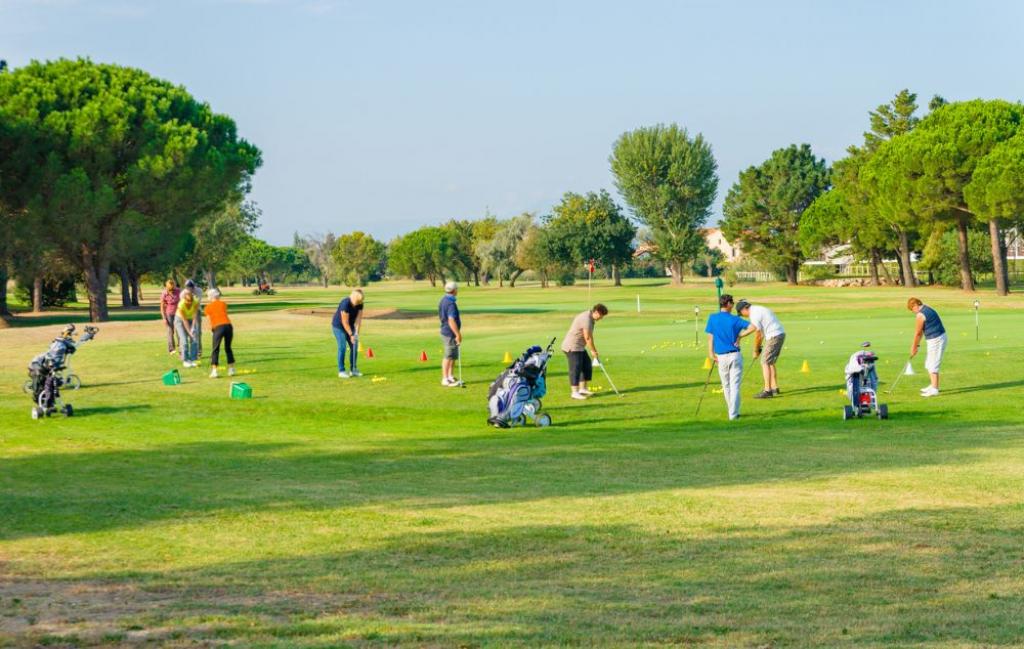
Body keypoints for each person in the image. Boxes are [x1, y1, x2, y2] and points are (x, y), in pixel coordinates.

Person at [705, 294, 751, 420]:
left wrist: (710, 353)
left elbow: (710, 337)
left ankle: (732, 411)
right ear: (729, 304)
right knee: (734, 385)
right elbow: (753, 327)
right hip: (734, 355)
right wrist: (741, 336)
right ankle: (733, 414)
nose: (733, 305)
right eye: (732, 303)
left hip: (720, 356)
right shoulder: (735, 319)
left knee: (726, 385)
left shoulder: (712, 318)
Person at [736, 299, 786, 399]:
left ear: (744, 309)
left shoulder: (754, 314)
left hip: (774, 336)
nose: (743, 316)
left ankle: (767, 390)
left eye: (741, 314)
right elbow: (761, 333)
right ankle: (774, 388)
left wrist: (755, 350)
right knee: (770, 362)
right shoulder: (758, 309)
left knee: (765, 362)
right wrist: (741, 336)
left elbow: (758, 334)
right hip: (779, 334)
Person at [560, 303, 608, 400]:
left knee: (586, 365)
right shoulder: (586, 319)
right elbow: (588, 337)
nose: (601, 318)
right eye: (601, 315)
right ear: (596, 312)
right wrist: (593, 351)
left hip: (579, 347)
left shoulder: (590, 317)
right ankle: (574, 392)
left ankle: (582, 389)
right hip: (572, 346)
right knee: (576, 368)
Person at [907, 297, 947, 397]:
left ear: (915, 305)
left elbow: (918, 333)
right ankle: (932, 385)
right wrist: (917, 346)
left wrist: (914, 347)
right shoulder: (927, 308)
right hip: (935, 338)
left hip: (936, 339)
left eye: (912, 310)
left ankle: (935, 389)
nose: (913, 312)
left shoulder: (920, 315)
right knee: (929, 363)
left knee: (933, 364)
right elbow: (920, 333)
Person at [331, 289, 365, 378]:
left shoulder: (360, 304)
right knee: (342, 346)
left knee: (355, 345)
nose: (358, 304)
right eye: (357, 302)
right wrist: (351, 335)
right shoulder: (345, 304)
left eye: (360, 302)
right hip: (339, 327)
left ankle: (353, 369)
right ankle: (341, 371)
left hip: (350, 325)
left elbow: (358, 320)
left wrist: (356, 333)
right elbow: (344, 322)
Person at [204, 288, 236, 378]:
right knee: (228, 348)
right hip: (228, 326)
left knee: (215, 349)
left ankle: (214, 371)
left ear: (210, 297)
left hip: (218, 327)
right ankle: (231, 369)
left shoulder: (207, 308)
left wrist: (212, 330)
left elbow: (210, 321)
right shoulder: (223, 304)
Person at [438, 281, 462, 387]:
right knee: (448, 355)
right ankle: (445, 378)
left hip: (447, 331)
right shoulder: (450, 303)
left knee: (453, 355)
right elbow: (451, 320)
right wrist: (457, 334)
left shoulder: (444, 299)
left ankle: (450, 376)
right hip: (449, 332)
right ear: (454, 290)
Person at [174, 289, 200, 368]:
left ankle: (192, 360)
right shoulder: (181, 305)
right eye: (187, 301)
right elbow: (184, 320)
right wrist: (189, 332)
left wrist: (192, 328)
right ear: (184, 299)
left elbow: (195, 316)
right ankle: (185, 360)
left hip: (191, 319)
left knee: (194, 339)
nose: (189, 302)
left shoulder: (195, 302)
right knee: (184, 340)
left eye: (190, 301)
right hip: (180, 321)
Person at [160, 280, 180, 354]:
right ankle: (171, 349)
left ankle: (181, 346)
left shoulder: (178, 291)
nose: (172, 290)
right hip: (169, 314)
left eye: (173, 289)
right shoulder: (164, 293)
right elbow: (162, 307)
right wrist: (164, 318)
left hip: (178, 313)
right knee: (170, 331)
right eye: (170, 289)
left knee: (179, 329)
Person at [185, 279, 203, 359]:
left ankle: (198, 351)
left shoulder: (199, 291)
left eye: (191, 288)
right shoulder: (183, 293)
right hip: (187, 313)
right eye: (188, 288)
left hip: (197, 311)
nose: (190, 290)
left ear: (194, 287)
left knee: (198, 331)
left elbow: (196, 304)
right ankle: (190, 351)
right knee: (189, 332)